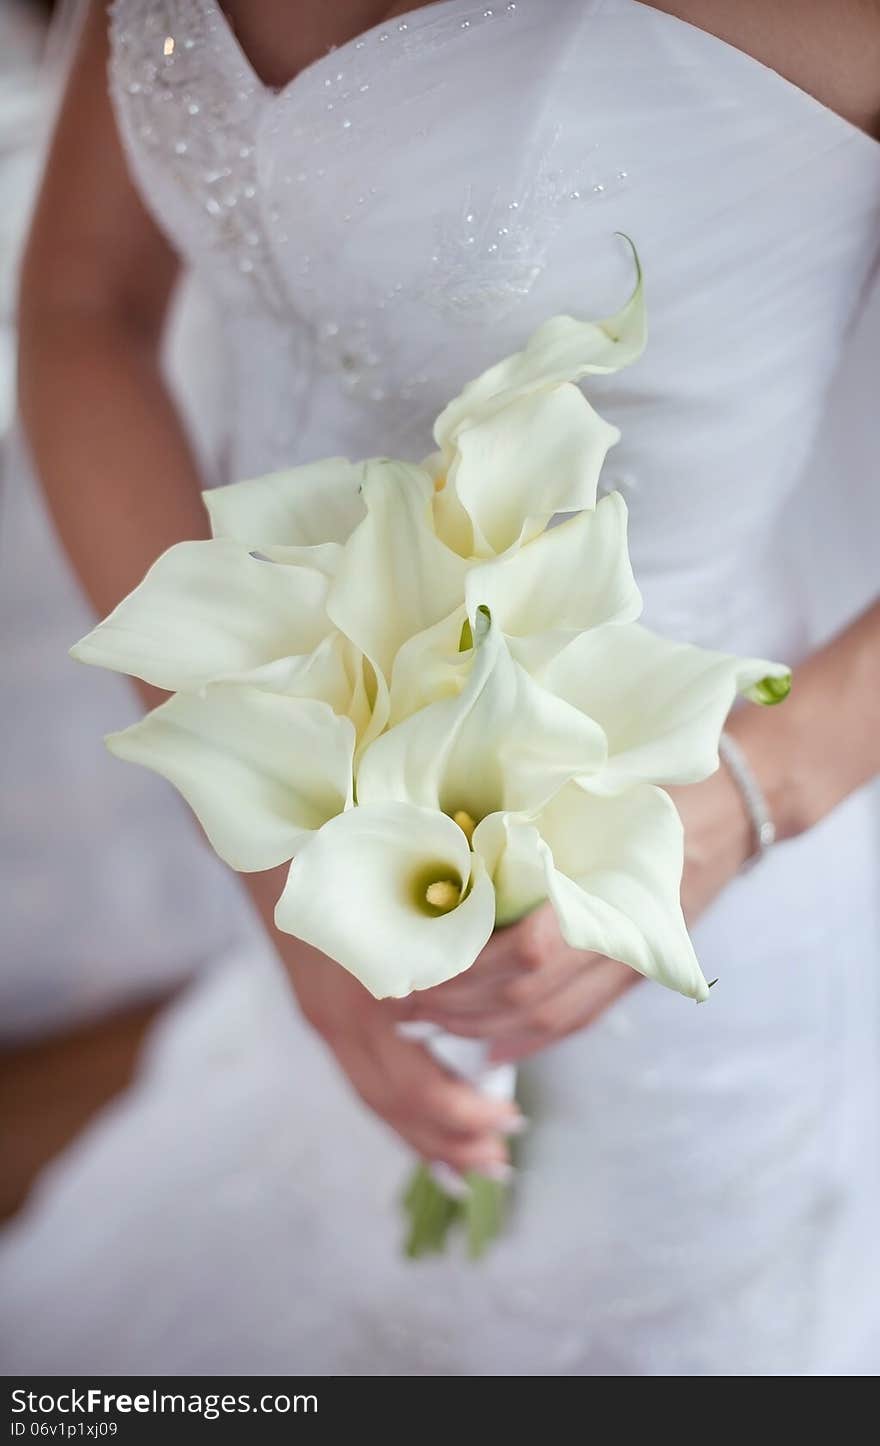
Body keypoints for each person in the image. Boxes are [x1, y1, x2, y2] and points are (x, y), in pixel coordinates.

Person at [5, 0, 880, 1374]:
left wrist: (749, 796)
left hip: (683, 917)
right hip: (324, 890)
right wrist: (278, 853)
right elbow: (80, 306)